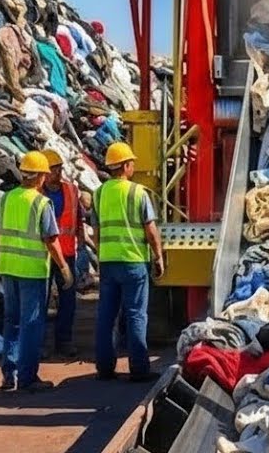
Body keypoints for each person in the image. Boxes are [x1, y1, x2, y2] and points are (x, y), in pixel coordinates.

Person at [0, 151, 73, 393]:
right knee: (31, 323)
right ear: (41, 176)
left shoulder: (7, 199)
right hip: (31, 271)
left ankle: (9, 375)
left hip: (8, 268)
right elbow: (51, 239)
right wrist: (63, 267)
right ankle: (28, 377)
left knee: (11, 322)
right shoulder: (41, 203)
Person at [94, 142, 164, 383]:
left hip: (108, 262)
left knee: (106, 316)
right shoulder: (137, 193)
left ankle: (104, 369)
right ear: (125, 166)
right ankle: (139, 369)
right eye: (131, 162)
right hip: (134, 262)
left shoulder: (99, 193)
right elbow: (150, 229)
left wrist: (102, 253)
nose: (133, 166)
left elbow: (96, 230)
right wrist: (159, 256)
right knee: (135, 315)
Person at [43, 149, 80, 359]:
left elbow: (78, 217)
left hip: (67, 253)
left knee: (68, 299)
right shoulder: (37, 194)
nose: (57, 173)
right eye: (52, 169)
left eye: (58, 168)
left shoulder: (71, 191)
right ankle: (40, 344)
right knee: (42, 299)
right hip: (44, 255)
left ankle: (64, 341)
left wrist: (82, 241)